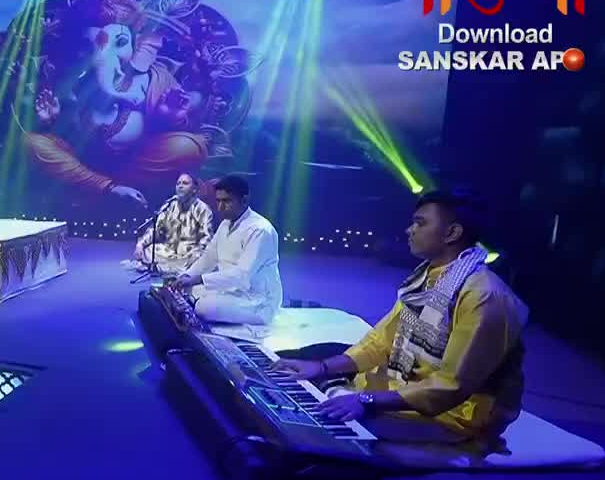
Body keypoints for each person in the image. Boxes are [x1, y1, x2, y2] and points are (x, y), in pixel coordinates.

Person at [270, 189, 528, 443]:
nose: (409, 230)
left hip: (452, 415)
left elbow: (451, 386)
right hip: (406, 379)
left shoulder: (485, 296)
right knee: (305, 359)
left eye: (420, 223)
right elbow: (382, 341)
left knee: (326, 423)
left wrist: (365, 399)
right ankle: (334, 382)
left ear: (452, 233)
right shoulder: (428, 275)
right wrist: (321, 366)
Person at [170, 175, 282, 325]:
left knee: (205, 307)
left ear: (244, 200)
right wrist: (186, 275)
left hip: (256, 300)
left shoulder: (260, 230)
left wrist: (198, 279)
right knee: (186, 286)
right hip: (229, 290)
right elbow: (208, 258)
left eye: (226, 201)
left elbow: (242, 276)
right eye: (218, 201)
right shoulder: (225, 224)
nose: (220, 207)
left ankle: (201, 303)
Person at [132, 172, 213, 274]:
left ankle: (162, 268)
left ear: (194, 189)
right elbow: (156, 229)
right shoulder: (170, 204)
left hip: (189, 254)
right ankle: (165, 268)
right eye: (178, 183)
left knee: (199, 260)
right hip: (168, 251)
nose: (180, 186)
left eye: (185, 183)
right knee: (149, 249)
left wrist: (197, 254)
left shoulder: (203, 209)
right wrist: (141, 244)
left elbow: (207, 237)